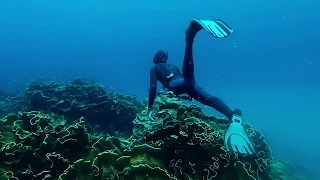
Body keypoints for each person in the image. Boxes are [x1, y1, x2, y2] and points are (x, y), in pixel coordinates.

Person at [147, 18, 256, 155]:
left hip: (177, 84)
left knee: (187, 80)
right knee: (207, 98)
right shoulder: (172, 66)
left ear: (155, 59)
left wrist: (150, 109)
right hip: (189, 85)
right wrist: (184, 96)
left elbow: (152, 87)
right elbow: (184, 82)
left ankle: (189, 37)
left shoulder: (155, 68)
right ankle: (233, 116)